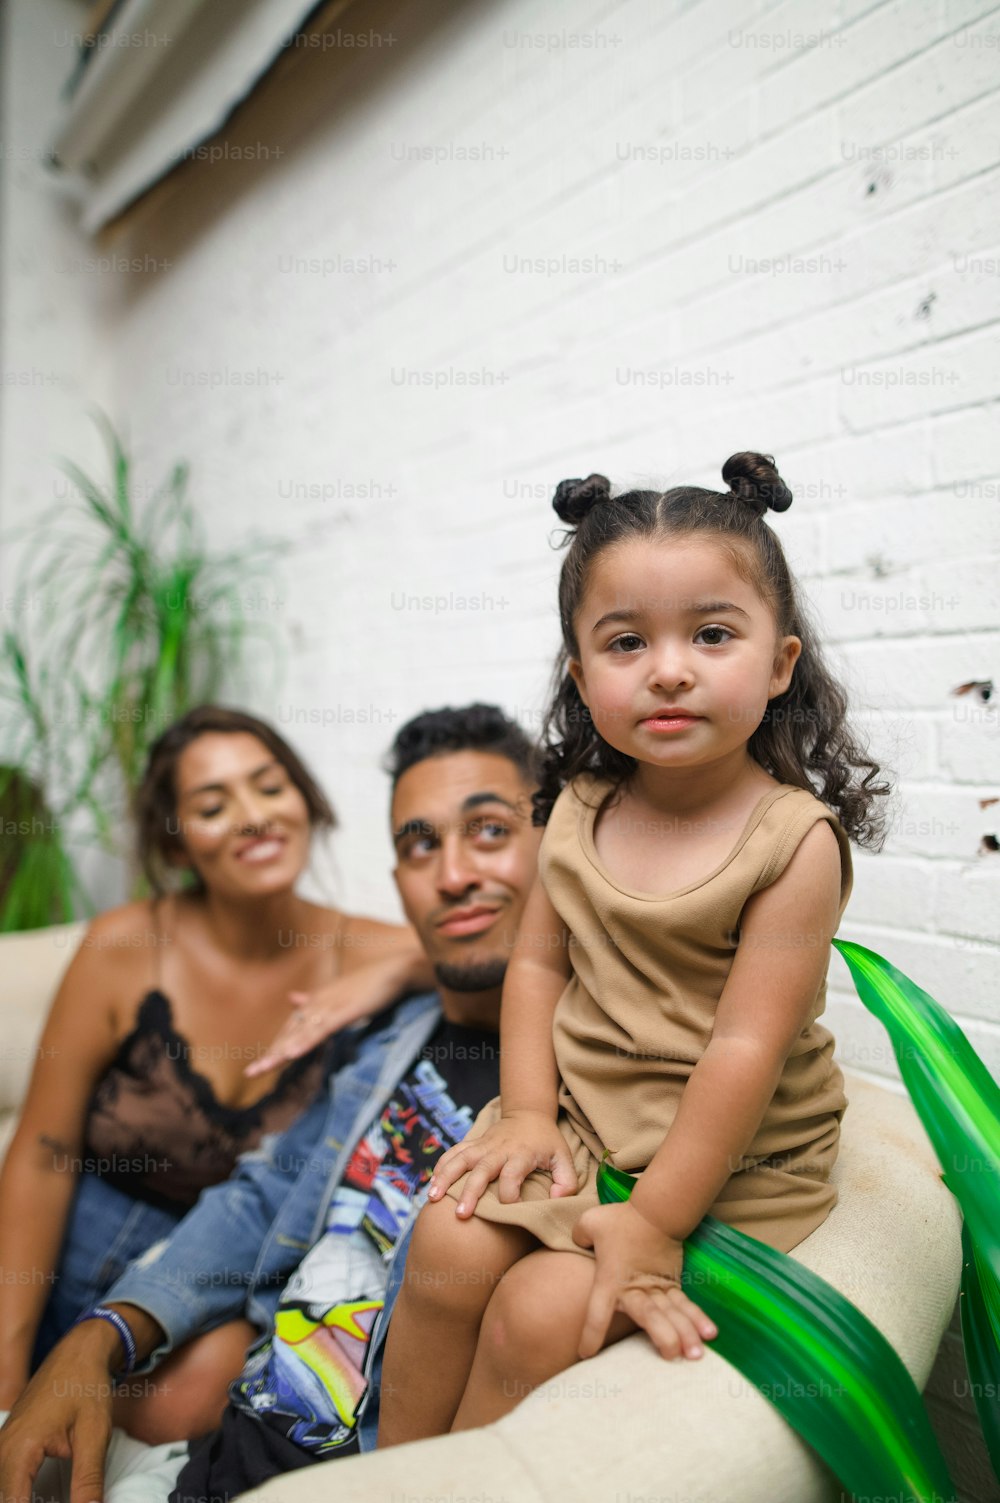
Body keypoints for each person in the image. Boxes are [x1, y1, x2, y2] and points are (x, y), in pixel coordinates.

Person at [378, 453, 892, 1446]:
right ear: (581, 675)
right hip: (590, 1127)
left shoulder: (792, 845)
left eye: (710, 633)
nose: (668, 667)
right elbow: (536, 971)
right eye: (626, 642)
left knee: (538, 1312)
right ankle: (389, 1470)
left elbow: (743, 1052)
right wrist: (528, 1113)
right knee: (447, 1238)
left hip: (732, 1167)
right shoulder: (577, 810)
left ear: (780, 663)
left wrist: (653, 1224)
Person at [0, 703, 542, 1503]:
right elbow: (53, 1158)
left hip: (294, 1403)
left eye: (490, 829)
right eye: (419, 843)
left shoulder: (565, 1050)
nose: (454, 871)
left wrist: (396, 968)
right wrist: (69, 1350)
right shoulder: (388, 1033)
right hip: (113, 1293)